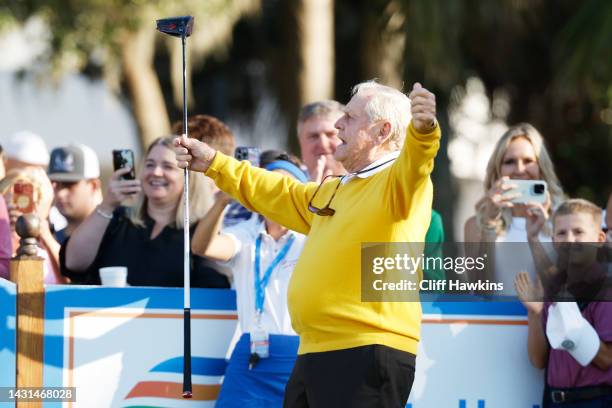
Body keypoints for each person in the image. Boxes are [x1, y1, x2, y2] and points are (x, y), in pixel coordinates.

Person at [175, 81, 440, 407]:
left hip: (367, 351)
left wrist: (424, 130)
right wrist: (214, 163)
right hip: (315, 350)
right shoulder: (336, 189)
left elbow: (418, 160)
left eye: (349, 118)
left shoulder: (399, 182)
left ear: (382, 131)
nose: (338, 125)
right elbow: (277, 192)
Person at [192, 151, 308, 407]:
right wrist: (222, 202)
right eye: (267, 185)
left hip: (300, 354)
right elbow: (202, 247)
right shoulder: (246, 234)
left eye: (283, 185)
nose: (274, 192)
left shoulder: (311, 237)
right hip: (251, 353)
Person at [60, 136, 229, 288]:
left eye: (167, 166)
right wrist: (107, 205)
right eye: (150, 164)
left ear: (188, 178)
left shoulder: (200, 232)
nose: (155, 172)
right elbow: (73, 263)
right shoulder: (118, 219)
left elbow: (214, 288)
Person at [515, 199, 612, 407]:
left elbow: (606, 359)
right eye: (561, 233)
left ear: (599, 238)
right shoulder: (554, 289)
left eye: (578, 232)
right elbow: (539, 360)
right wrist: (535, 312)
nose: (569, 240)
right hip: (553, 399)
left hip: (595, 400)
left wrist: (570, 321)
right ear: (554, 240)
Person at [464, 123, 565, 291]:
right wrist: (489, 224)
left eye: (528, 161)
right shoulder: (475, 225)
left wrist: (534, 239)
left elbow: (563, 291)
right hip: (498, 317)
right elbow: (480, 290)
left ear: (541, 167)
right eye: (509, 161)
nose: (519, 170)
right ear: (498, 170)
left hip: (544, 317)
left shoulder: (562, 220)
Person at [0, 167, 64, 283]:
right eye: (7, 200)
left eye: (23, 200)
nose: (13, 206)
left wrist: (39, 224)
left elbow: (69, 275)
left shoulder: (47, 249)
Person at [47, 144, 103, 244]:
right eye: (55, 184)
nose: (60, 193)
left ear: (93, 186)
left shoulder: (116, 236)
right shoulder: (52, 238)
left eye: (69, 185)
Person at [296, 100, 346, 182]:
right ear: (300, 142)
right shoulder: (289, 186)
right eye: (313, 136)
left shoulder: (367, 183)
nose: (323, 144)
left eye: (330, 134)